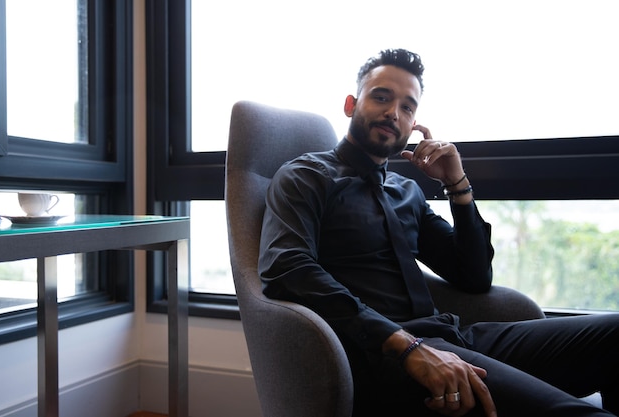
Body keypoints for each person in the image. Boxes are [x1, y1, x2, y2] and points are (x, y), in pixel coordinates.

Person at [257, 48, 619, 416]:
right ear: (351, 104)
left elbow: (473, 277)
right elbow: (286, 267)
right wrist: (403, 343)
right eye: (381, 97)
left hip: (454, 337)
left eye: (407, 107)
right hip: (381, 354)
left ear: (413, 124)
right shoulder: (307, 176)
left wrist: (456, 185)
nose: (393, 113)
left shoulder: (405, 191)